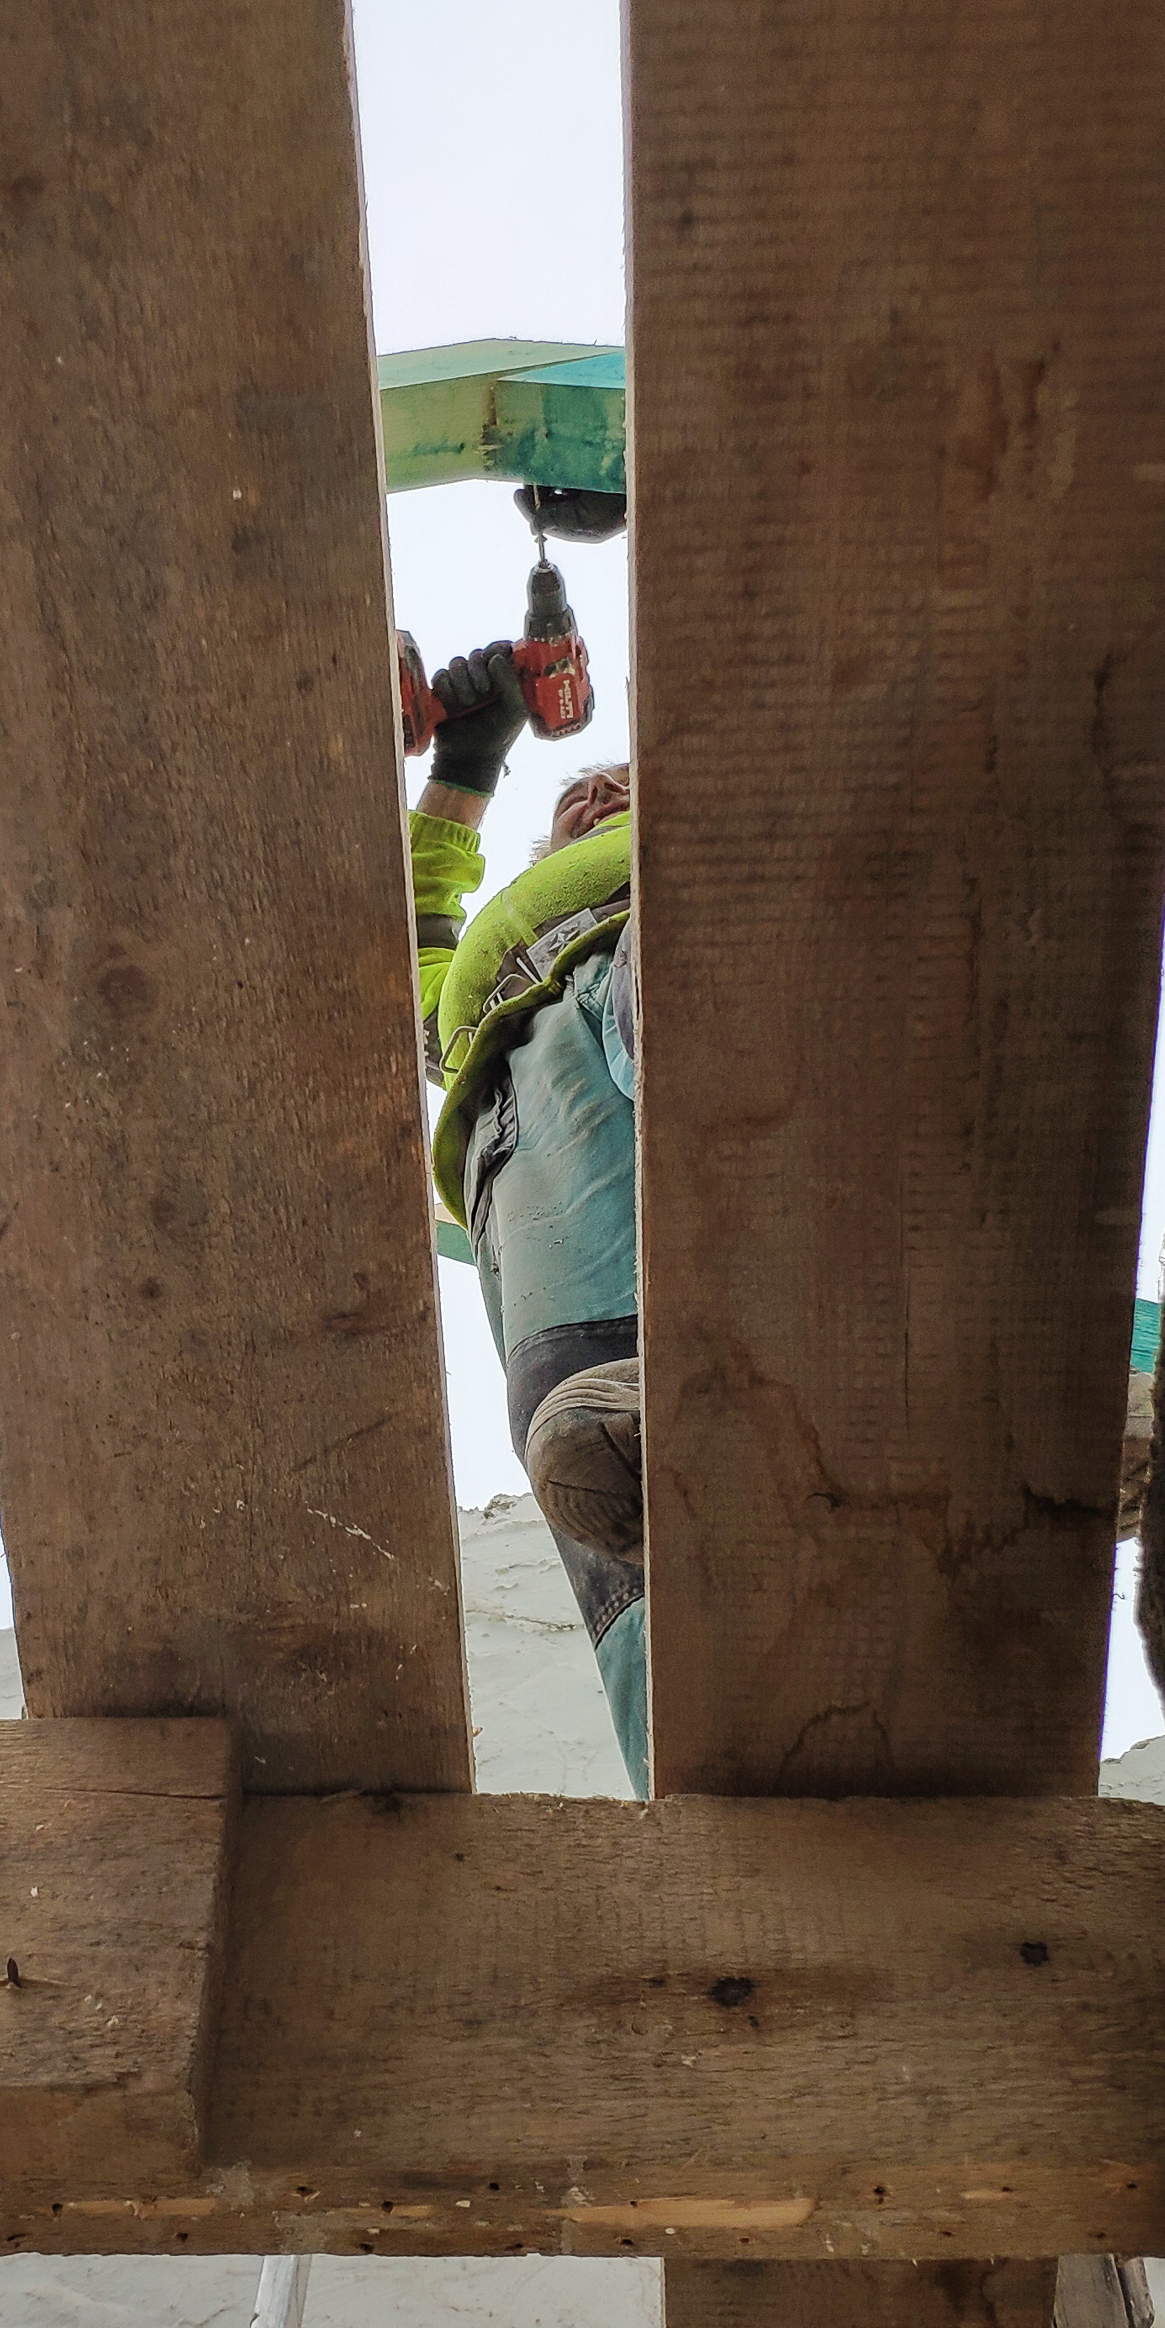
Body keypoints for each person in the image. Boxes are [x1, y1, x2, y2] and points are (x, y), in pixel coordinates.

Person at [409, 645, 649, 1792]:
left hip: (651, 962)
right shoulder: (475, 976)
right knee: (586, 1441)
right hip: (520, 1125)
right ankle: (672, 1741)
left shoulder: (677, 851)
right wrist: (466, 761)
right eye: (580, 792)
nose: (596, 791)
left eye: (622, 785)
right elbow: (402, 930)